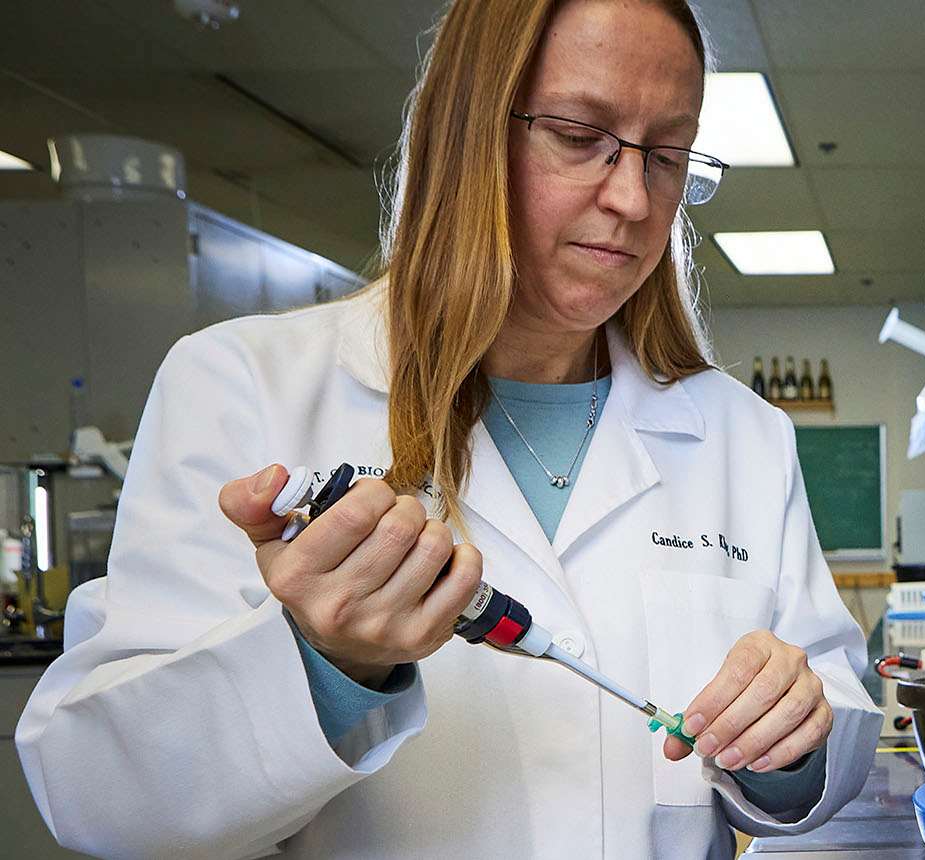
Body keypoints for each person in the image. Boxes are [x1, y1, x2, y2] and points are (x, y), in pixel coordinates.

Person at [14, 0, 880, 856]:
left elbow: (833, 721)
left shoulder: (742, 436)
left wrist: (789, 745)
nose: (631, 197)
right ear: (465, 135)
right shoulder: (243, 387)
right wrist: (327, 663)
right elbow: (95, 793)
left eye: (667, 154)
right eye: (580, 136)